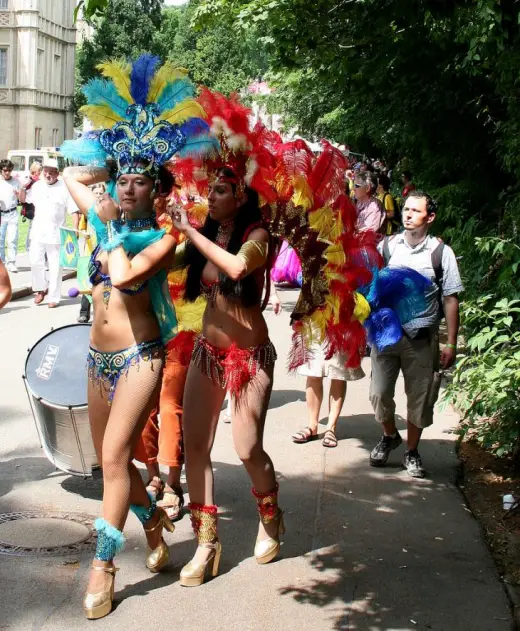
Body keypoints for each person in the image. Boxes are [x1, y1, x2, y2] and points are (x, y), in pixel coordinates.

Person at [61, 54, 214, 618]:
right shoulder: (105, 212)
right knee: (112, 466)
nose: (126, 189)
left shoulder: (165, 235)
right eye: (121, 180)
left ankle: (102, 569)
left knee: (117, 455)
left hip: (139, 357)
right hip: (96, 357)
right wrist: (106, 165)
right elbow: (72, 172)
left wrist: (107, 228)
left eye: (137, 181)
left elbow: (124, 276)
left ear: (156, 188)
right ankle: (154, 524)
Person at [369, 191, 463, 478]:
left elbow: (450, 298)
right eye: (406, 209)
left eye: (415, 211)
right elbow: (371, 287)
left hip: (422, 338)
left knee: (419, 397)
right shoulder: (387, 246)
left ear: (430, 218)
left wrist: (450, 343)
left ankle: (412, 451)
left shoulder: (440, 253)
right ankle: (389, 435)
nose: (408, 214)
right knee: (379, 393)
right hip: (386, 335)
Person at [27, 159, 74, 308]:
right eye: (45, 171)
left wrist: (74, 231)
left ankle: (54, 297)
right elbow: (28, 201)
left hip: (56, 233)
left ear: (57, 173)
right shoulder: (37, 186)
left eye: (51, 172)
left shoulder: (64, 188)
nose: (48, 175)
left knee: (55, 266)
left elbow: (73, 209)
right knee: (35, 261)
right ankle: (41, 288)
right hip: (38, 231)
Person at [77, 182, 105, 323]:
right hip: (89, 252)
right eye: (96, 193)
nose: (98, 195)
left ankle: (101, 316)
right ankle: (84, 313)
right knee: (86, 283)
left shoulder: (108, 210)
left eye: (101, 193)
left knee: (101, 285)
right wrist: (83, 234)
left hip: (103, 253)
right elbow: (81, 229)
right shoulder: (87, 212)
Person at [0, 159, 25, 273]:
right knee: (0, 239)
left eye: (9, 170)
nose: (7, 173)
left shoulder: (16, 182)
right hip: (1, 213)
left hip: (13, 213)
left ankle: (11, 263)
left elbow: (22, 200)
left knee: (12, 239)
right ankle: (2, 262)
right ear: (1, 170)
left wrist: (19, 194)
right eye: (5, 170)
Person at [354, 171, 386, 236]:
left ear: (367, 188)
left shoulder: (374, 207)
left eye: (356, 186)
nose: (353, 189)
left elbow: (368, 233)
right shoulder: (359, 203)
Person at [21, 161, 42, 252]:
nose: (40, 172)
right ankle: (29, 247)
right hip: (31, 206)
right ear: (34, 170)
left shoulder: (41, 180)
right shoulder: (28, 180)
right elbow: (24, 193)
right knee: (32, 227)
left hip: (39, 205)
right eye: (39, 170)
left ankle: (37, 247)